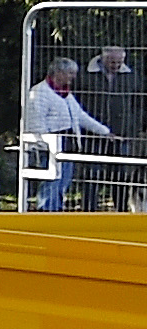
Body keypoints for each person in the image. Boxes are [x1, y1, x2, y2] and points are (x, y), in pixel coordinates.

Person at [25, 54, 114, 212]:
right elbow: (36, 122)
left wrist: (105, 132)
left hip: (67, 144)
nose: (73, 76)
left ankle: (56, 213)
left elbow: (80, 116)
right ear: (58, 73)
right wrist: (45, 145)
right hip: (51, 146)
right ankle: (46, 214)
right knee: (50, 184)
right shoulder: (40, 92)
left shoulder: (65, 94)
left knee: (62, 184)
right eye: (70, 73)